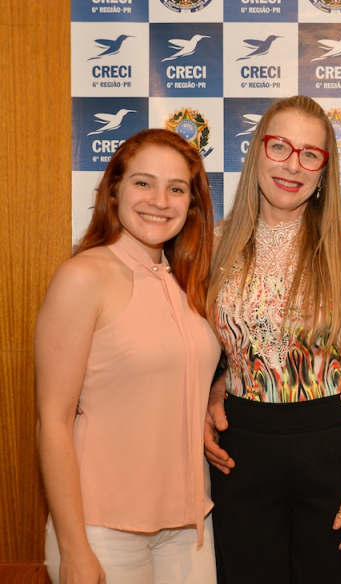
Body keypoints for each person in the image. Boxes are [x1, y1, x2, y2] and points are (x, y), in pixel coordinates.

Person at [203, 95, 341, 583]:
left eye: (310, 154)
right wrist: (209, 395)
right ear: (257, 152)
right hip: (240, 451)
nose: (292, 165)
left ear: (324, 170)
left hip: (330, 445)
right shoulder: (217, 243)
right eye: (280, 147)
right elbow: (204, 351)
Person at [36, 128, 220, 583]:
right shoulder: (83, 277)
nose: (159, 201)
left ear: (192, 204)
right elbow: (53, 420)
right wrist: (73, 547)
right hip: (101, 527)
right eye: (143, 183)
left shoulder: (189, 282)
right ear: (114, 189)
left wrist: (214, 393)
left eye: (176, 189)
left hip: (189, 525)